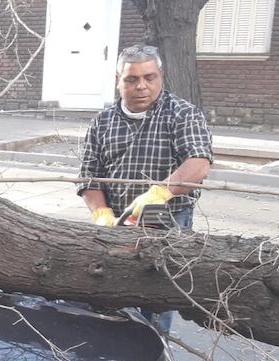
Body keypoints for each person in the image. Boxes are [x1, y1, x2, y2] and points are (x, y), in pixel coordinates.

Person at [78, 45, 213, 334]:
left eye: (149, 77)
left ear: (161, 76)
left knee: (156, 301)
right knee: (110, 299)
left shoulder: (183, 115)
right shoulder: (102, 123)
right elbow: (89, 177)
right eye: (131, 79)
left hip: (167, 221)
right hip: (117, 223)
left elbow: (198, 164)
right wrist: (101, 212)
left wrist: (158, 194)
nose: (141, 86)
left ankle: (155, 355)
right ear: (118, 79)